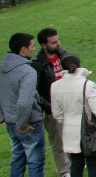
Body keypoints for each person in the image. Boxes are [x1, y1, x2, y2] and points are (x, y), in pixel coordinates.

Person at [0, 32, 47, 177]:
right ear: (23, 49)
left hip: (11, 123)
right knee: (35, 163)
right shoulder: (28, 71)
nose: (34, 49)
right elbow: (24, 102)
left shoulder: (2, 69)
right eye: (32, 46)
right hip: (28, 124)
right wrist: (22, 126)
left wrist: (2, 119)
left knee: (18, 160)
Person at [50, 55, 96, 177]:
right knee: (94, 164)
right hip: (89, 130)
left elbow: (57, 114)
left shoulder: (55, 86)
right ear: (79, 66)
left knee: (76, 164)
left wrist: (67, 122)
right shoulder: (87, 85)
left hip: (69, 131)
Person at [30, 28, 71, 177]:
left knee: (73, 134)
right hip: (52, 108)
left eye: (58, 40)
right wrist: (49, 107)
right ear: (43, 45)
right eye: (54, 42)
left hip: (68, 102)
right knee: (58, 141)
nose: (58, 44)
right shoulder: (38, 65)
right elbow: (35, 92)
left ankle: (76, 162)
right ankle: (64, 170)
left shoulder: (63, 55)